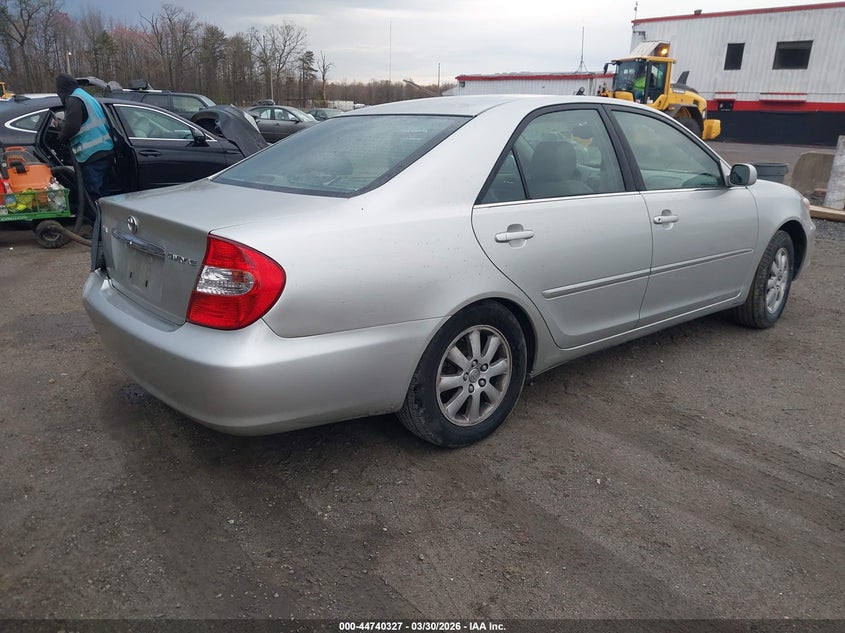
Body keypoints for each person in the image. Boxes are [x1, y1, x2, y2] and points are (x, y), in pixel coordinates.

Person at [55, 74, 114, 204]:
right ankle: (105, 220)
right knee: (104, 194)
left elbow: (73, 126)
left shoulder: (73, 100)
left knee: (93, 195)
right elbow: (82, 120)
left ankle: (96, 221)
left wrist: (61, 137)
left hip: (92, 154)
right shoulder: (84, 96)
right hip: (104, 149)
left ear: (62, 90)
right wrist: (61, 125)